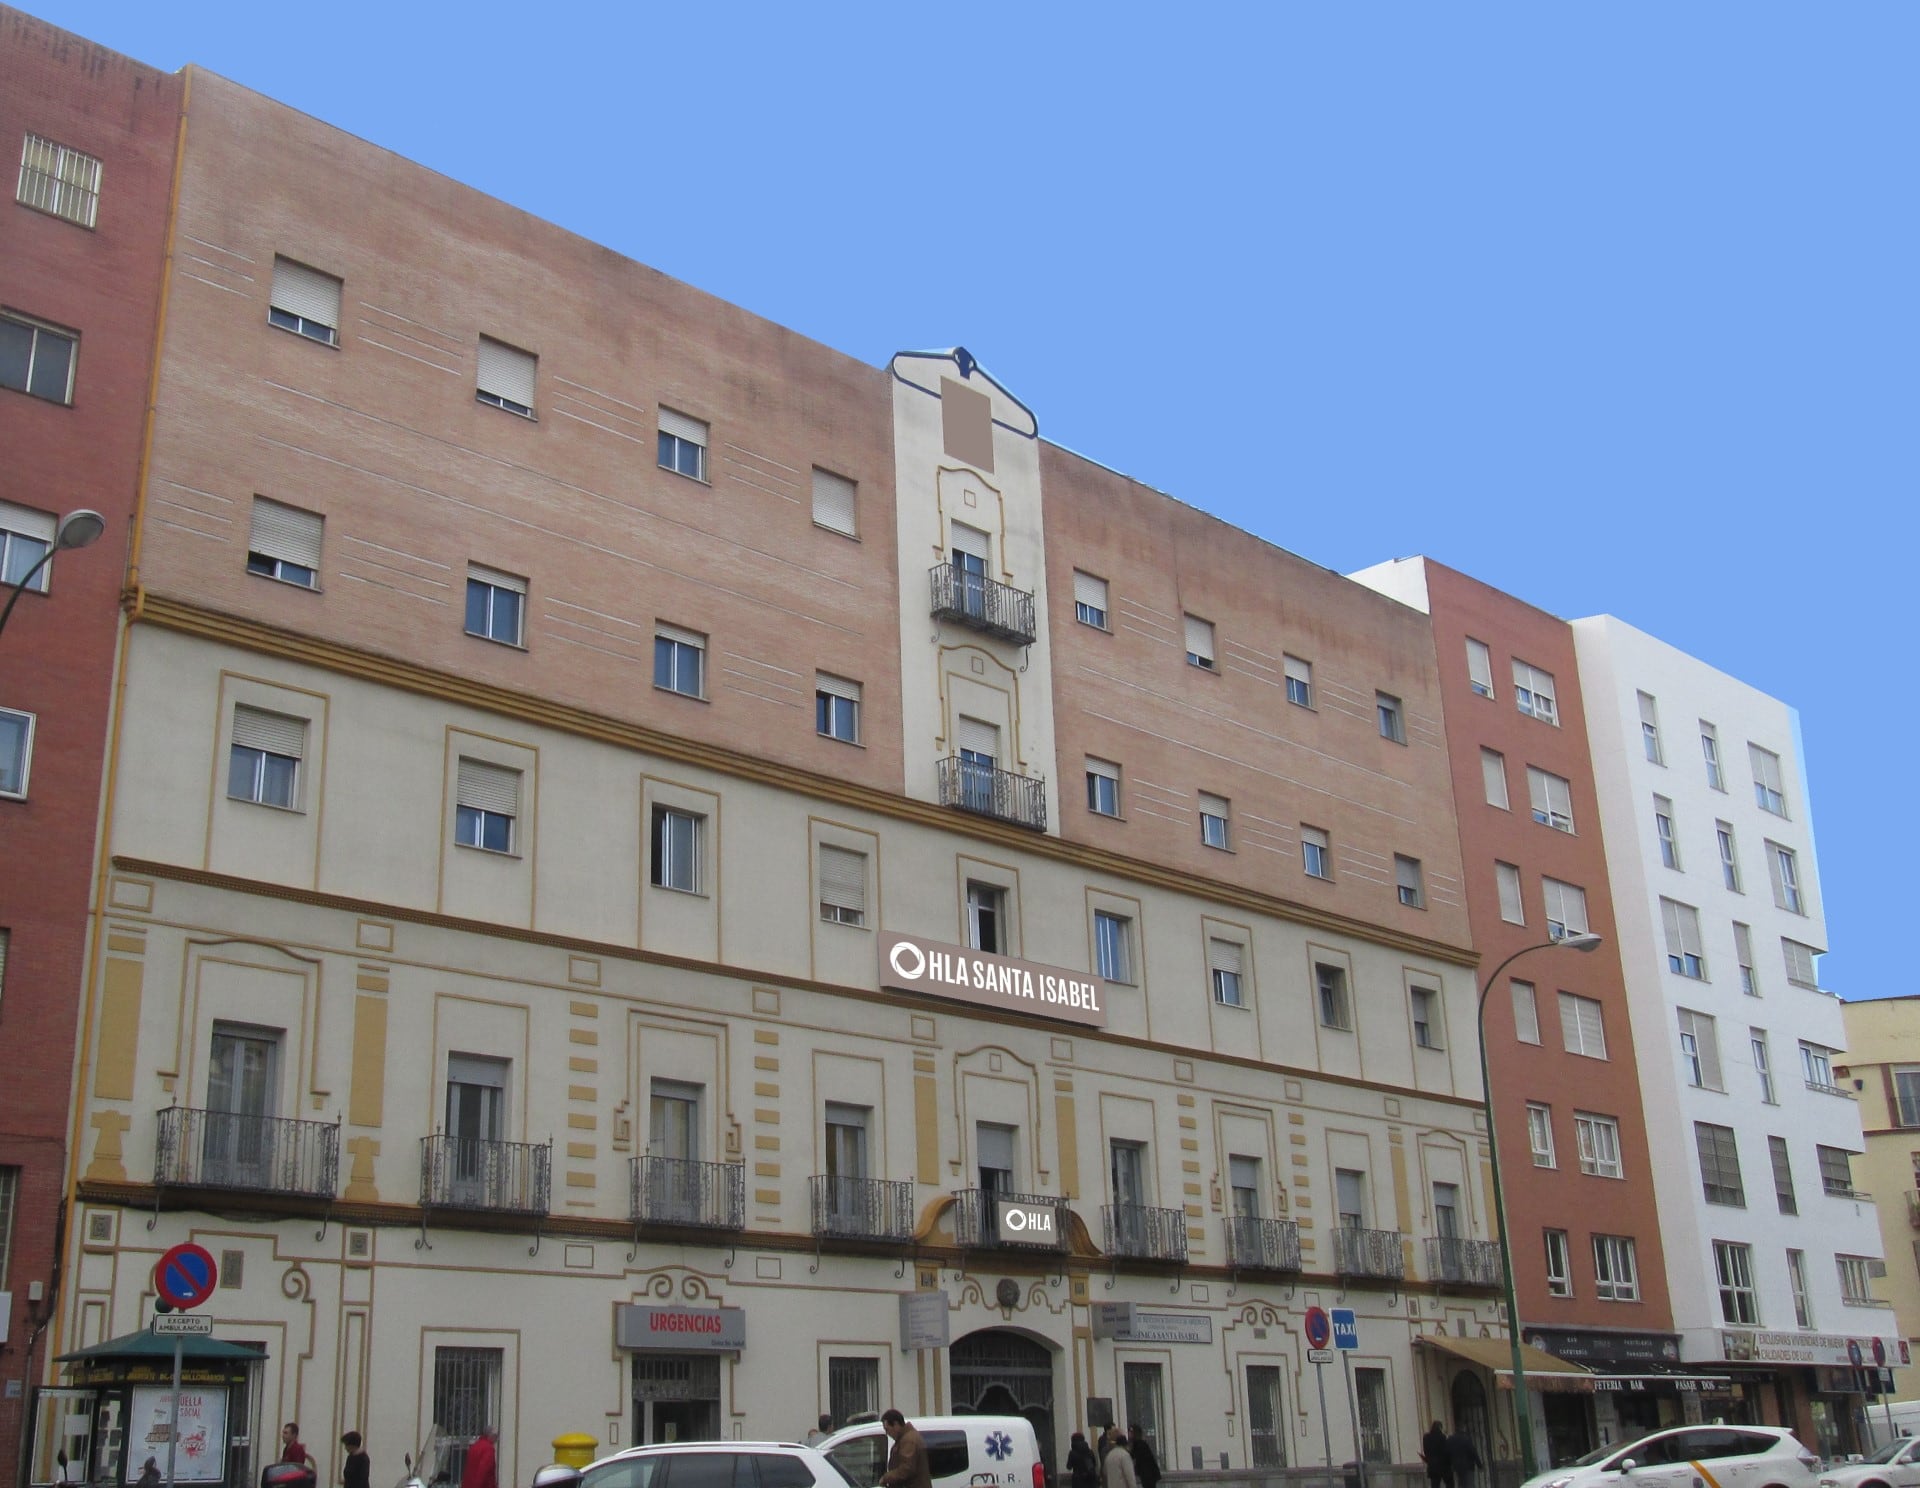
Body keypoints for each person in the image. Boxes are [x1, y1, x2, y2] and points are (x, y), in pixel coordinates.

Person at [879, 1410, 931, 1488]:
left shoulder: (909, 1440)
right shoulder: (905, 1438)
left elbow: (906, 1469)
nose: (887, 1433)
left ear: (896, 1425)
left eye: (887, 1429)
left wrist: (886, 1478)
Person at [1421, 1421, 1452, 1488]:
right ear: (1440, 1428)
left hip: (1432, 1466)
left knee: (1434, 1485)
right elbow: (1446, 1451)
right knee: (1449, 1483)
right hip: (1443, 1466)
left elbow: (1426, 1451)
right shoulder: (1442, 1437)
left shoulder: (1426, 1437)